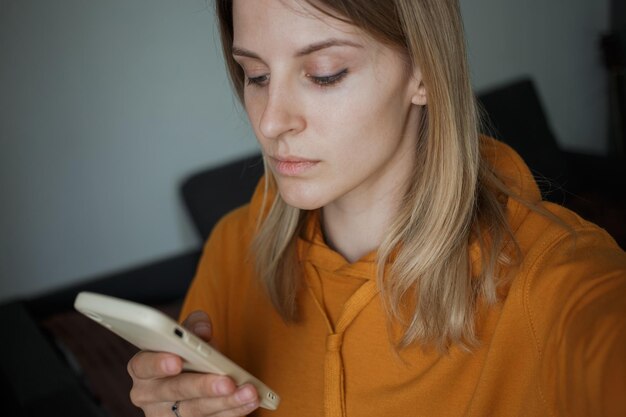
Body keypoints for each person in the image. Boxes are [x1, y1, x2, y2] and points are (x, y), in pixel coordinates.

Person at [127, 0, 626, 416]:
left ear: (424, 72)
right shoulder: (235, 247)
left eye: (324, 74)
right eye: (255, 74)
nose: (270, 122)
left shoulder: (560, 283)